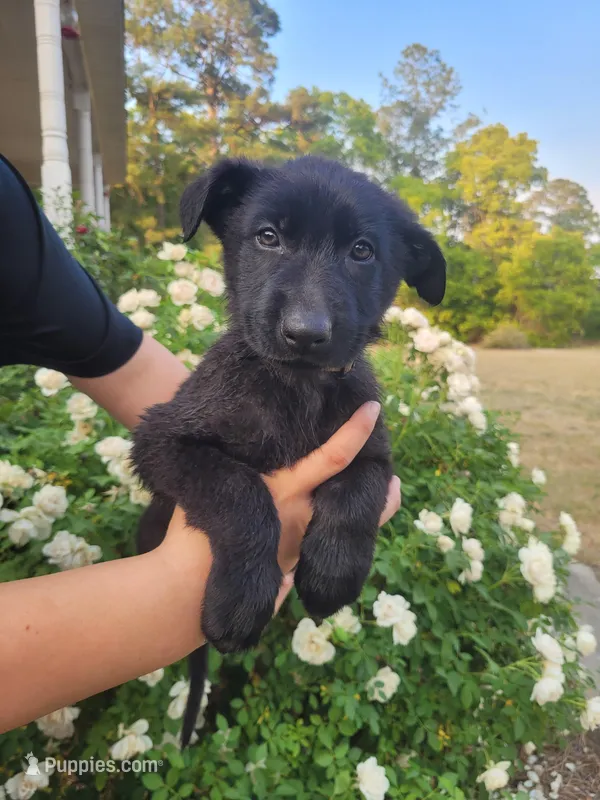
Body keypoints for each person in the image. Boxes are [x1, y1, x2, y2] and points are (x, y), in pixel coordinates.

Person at [0, 153, 401, 733]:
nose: (309, 320)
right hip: (172, 568)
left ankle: (215, 707)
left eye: (360, 252)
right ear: (230, 233)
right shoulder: (231, 375)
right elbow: (161, 446)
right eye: (269, 237)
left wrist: (350, 519)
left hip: (234, 601)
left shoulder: (356, 392)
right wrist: (249, 534)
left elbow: (371, 465)